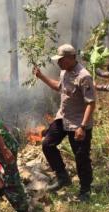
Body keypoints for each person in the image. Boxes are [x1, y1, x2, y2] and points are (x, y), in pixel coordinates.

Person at [32, 44, 96, 200]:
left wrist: (82, 127)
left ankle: (85, 190)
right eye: (58, 60)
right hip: (63, 118)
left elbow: (91, 103)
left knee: (81, 157)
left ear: (72, 57)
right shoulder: (64, 72)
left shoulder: (84, 76)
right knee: (47, 144)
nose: (59, 63)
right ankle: (62, 177)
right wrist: (41, 77)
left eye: (62, 60)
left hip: (78, 124)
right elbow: (59, 87)